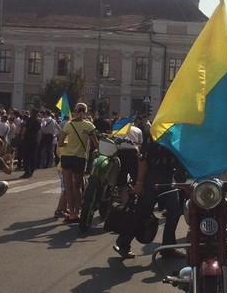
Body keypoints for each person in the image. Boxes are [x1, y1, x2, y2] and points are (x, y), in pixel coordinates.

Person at [112, 127, 183, 260]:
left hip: (168, 176)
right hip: (152, 177)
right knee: (142, 212)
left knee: (174, 212)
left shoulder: (178, 132)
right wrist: (139, 183)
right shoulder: (153, 132)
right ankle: (123, 243)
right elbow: (143, 159)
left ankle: (168, 248)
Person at [57, 103, 98, 224]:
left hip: (67, 157)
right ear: (85, 112)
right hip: (80, 158)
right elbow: (95, 144)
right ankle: (78, 211)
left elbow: (60, 143)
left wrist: (69, 145)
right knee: (77, 186)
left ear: (75, 111)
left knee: (68, 186)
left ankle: (72, 213)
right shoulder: (89, 125)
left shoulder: (69, 125)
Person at [19, 109, 41, 178]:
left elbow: (24, 129)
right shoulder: (38, 121)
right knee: (33, 156)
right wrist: (38, 140)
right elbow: (39, 132)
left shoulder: (29, 120)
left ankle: (27, 172)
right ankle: (31, 171)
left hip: (27, 139)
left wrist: (22, 136)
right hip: (34, 140)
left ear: (31, 113)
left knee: (26, 156)